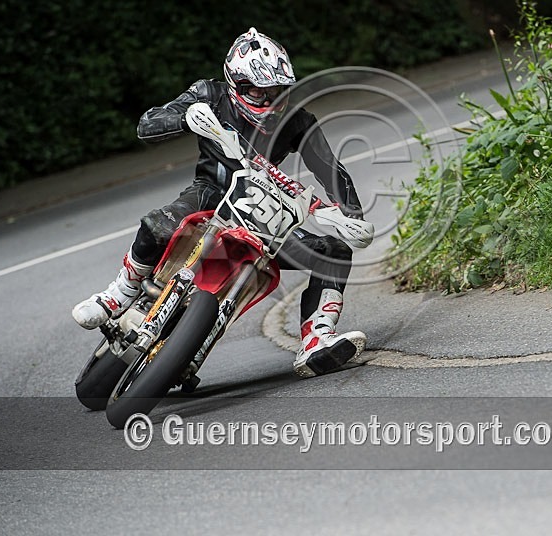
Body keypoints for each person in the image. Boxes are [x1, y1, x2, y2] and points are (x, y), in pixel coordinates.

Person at [72, 27, 370, 378]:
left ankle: (317, 340)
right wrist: (185, 117)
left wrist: (350, 215)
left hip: (265, 211)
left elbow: (329, 167)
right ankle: (120, 292)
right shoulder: (209, 94)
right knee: (159, 224)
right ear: (237, 84)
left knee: (333, 252)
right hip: (210, 193)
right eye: (260, 92)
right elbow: (147, 123)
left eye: (276, 92)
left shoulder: (299, 121)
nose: (269, 100)